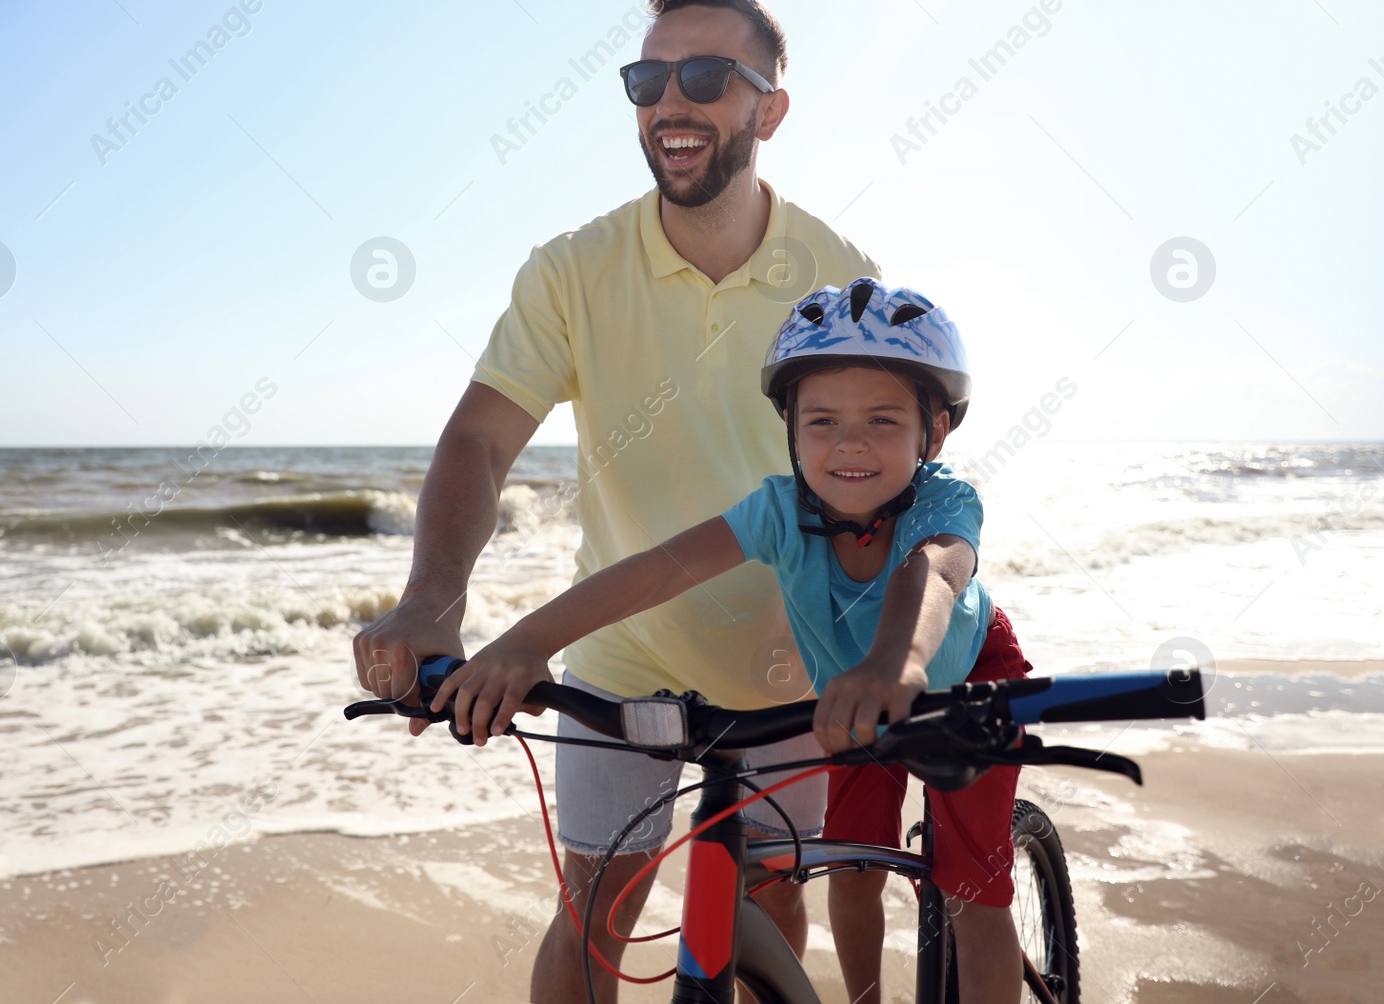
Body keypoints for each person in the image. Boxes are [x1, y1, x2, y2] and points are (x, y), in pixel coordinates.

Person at [352, 0, 897, 1004]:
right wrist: (433, 599)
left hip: (794, 661)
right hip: (621, 653)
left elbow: (881, 470)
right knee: (592, 914)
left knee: (771, 901)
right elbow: (478, 438)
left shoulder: (836, 274)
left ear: (768, 109)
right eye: (645, 81)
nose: (669, 104)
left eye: (703, 75)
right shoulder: (570, 268)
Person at [433, 278, 1034, 1004]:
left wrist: (897, 662)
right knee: (849, 871)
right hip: (856, 687)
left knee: (970, 887)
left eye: (881, 419)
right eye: (822, 421)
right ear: (789, 428)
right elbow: (661, 569)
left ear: (932, 432)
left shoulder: (945, 501)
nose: (849, 442)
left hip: (962, 676)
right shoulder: (781, 510)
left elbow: (932, 571)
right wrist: (527, 641)